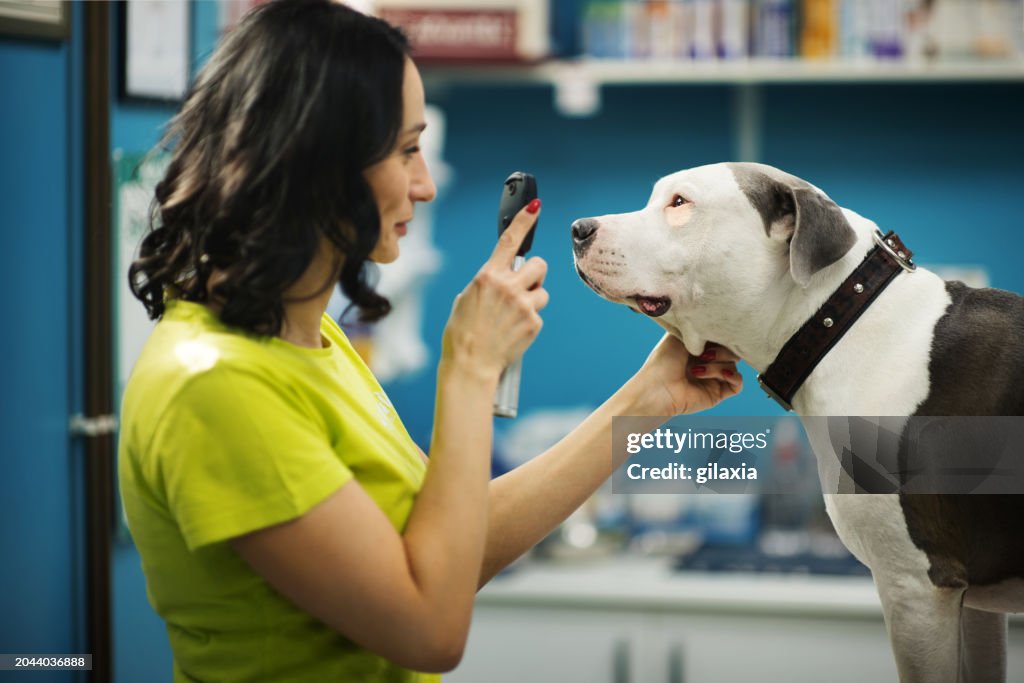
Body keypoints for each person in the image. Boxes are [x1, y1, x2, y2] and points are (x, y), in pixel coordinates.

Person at [118, 1, 743, 681]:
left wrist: (648, 398)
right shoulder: (216, 386)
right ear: (318, 160)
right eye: (407, 149)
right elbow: (429, 627)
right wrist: (470, 368)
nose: (426, 184)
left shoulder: (304, 336)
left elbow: (450, 547)